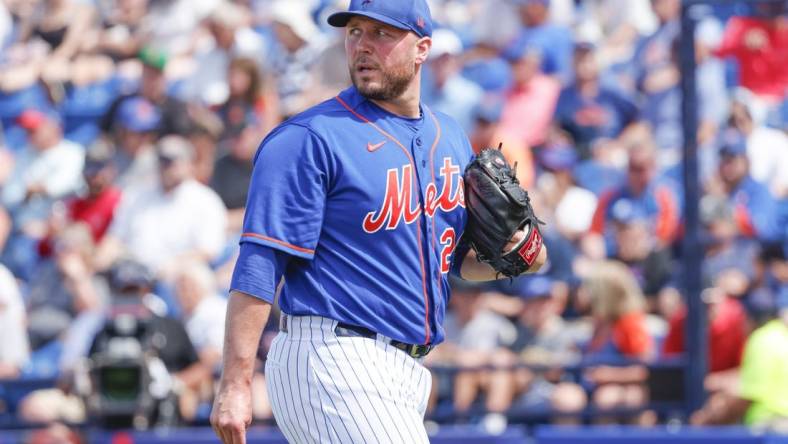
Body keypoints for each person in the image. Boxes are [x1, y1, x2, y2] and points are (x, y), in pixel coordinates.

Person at [210, 1, 547, 442]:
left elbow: (452, 260)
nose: (363, 46)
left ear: (423, 48)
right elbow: (258, 262)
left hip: (405, 370)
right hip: (332, 356)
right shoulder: (308, 138)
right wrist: (234, 383)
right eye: (354, 32)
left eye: (382, 34)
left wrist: (514, 257)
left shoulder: (450, 138)